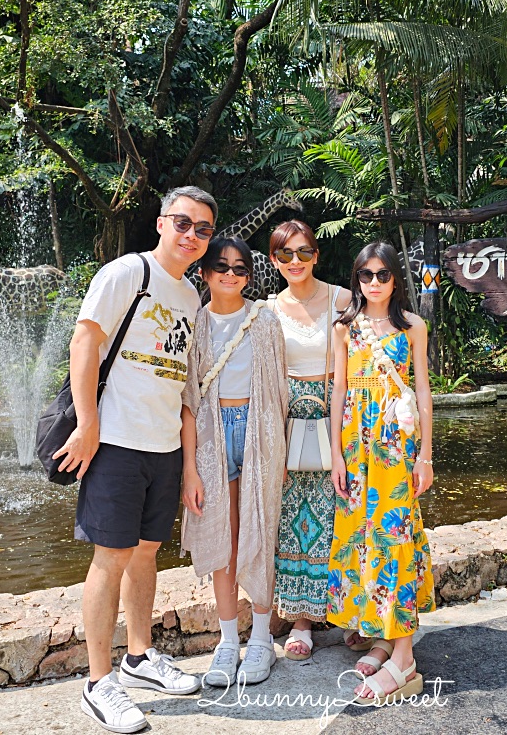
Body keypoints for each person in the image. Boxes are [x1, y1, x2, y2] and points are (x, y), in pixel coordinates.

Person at [54, 186, 216, 734]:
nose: (192, 235)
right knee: (111, 556)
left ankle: (139, 656)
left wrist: (188, 462)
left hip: (164, 445)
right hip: (116, 442)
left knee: (146, 552)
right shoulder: (128, 273)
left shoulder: (192, 297)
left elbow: (185, 382)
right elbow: (85, 343)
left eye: (203, 229)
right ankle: (99, 684)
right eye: (183, 223)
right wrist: (88, 427)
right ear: (162, 223)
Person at [328, 241, 436, 706]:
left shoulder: (413, 326)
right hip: (355, 445)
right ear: (357, 279)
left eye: (383, 275)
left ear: (396, 278)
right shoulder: (344, 328)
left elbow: (424, 392)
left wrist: (426, 455)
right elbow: (338, 389)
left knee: (395, 538)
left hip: (395, 444)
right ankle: (381, 637)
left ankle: (404, 656)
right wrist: (335, 453)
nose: (374, 283)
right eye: (366, 275)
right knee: (361, 536)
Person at [180, 237, 289, 687]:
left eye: (240, 268)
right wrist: (189, 469)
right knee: (220, 537)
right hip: (210, 434)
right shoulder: (194, 324)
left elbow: (280, 391)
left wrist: (280, 448)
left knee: (258, 532)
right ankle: (228, 643)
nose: (230, 274)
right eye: (221, 267)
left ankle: (261, 639)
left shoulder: (264, 321)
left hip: (259, 430)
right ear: (204, 273)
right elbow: (186, 400)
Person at [269, 220, 357, 660]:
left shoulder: (343, 299)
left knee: (343, 511)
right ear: (274, 260)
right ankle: (301, 617)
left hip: (337, 412)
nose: (296, 262)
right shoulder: (268, 309)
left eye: (304, 252)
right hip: (290, 419)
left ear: (316, 255)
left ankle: (348, 614)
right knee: (297, 517)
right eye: (286, 254)